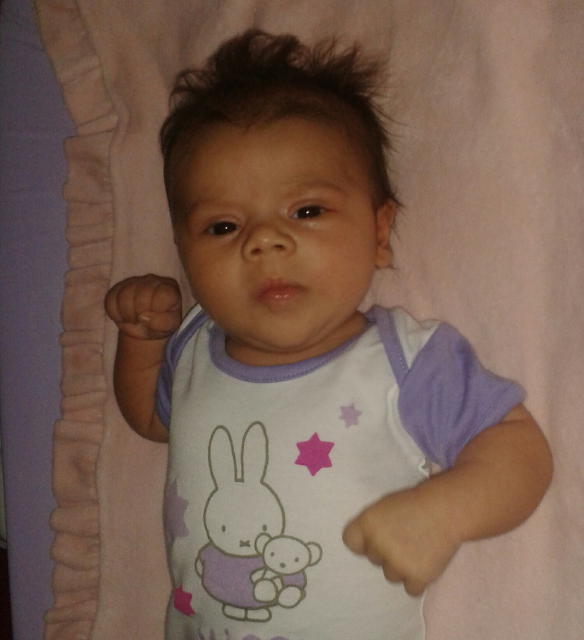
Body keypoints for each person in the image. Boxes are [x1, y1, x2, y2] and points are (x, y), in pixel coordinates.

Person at [105, 29, 553, 640]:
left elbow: (520, 450)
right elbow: (151, 420)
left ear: (378, 232)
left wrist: (445, 513)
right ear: (183, 250)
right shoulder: (191, 349)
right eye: (223, 226)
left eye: (307, 211)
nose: (264, 241)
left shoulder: (401, 361)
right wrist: (142, 341)